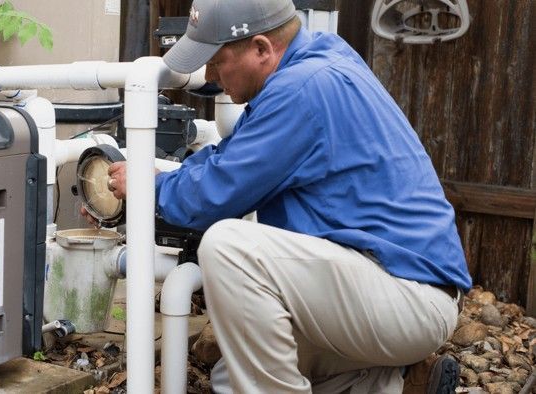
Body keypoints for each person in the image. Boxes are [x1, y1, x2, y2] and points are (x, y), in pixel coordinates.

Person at [85, 0, 472, 392]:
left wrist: (149, 188)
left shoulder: (302, 91)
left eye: (217, 62)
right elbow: (230, 159)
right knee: (232, 379)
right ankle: (399, 382)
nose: (212, 76)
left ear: (261, 49)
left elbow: (213, 195)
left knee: (229, 247)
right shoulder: (319, 58)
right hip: (386, 292)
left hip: (405, 298)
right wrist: (161, 178)